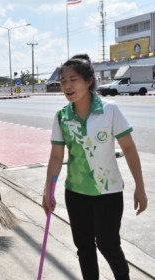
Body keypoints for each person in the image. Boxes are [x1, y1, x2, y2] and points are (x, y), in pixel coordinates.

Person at [42, 54, 147, 280]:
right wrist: (47, 191)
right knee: (84, 248)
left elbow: (128, 147)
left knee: (108, 244)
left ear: (89, 81)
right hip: (76, 192)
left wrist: (140, 187)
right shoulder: (61, 116)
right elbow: (56, 156)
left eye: (73, 79)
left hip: (107, 191)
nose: (67, 86)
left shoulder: (110, 110)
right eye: (63, 81)